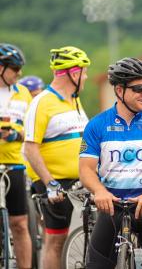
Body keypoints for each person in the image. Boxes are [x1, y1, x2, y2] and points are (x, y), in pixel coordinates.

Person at [79, 57, 142, 269]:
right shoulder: (97, 125)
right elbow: (86, 170)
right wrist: (99, 191)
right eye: (138, 88)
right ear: (118, 90)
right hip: (111, 206)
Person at [24, 46, 90, 269]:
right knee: (56, 239)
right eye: (84, 71)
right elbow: (30, 148)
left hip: (82, 177)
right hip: (53, 181)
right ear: (73, 73)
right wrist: (49, 183)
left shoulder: (75, 101)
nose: (86, 77)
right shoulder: (41, 102)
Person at [0, 43, 32, 268]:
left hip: (15, 164)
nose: (19, 73)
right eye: (14, 68)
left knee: (20, 223)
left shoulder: (23, 93)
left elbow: (31, 128)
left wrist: (15, 135)